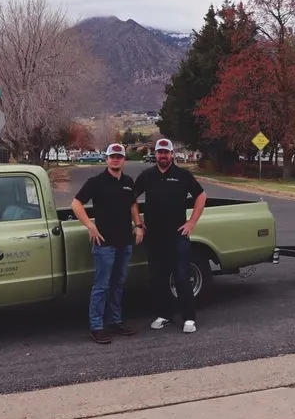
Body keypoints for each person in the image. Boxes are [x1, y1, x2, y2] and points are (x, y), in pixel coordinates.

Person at [71, 143, 144, 344]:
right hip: (104, 244)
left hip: (124, 242)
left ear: (123, 160)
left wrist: (138, 225)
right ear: (107, 159)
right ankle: (96, 326)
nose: (116, 159)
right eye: (112, 156)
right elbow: (76, 203)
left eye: (119, 156)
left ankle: (116, 321)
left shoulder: (128, 182)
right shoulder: (96, 182)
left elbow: (132, 204)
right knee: (101, 286)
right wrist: (90, 226)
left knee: (118, 284)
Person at [134, 138, 207, 334]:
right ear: (155, 154)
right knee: (158, 278)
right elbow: (130, 198)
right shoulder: (147, 176)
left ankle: (189, 318)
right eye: (160, 153)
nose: (163, 156)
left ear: (172, 154)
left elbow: (201, 196)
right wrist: (138, 224)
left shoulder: (182, 175)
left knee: (182, 277)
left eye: (166, 153)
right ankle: (164, 315)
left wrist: (191, 222)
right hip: (154, 237)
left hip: (177, 236)